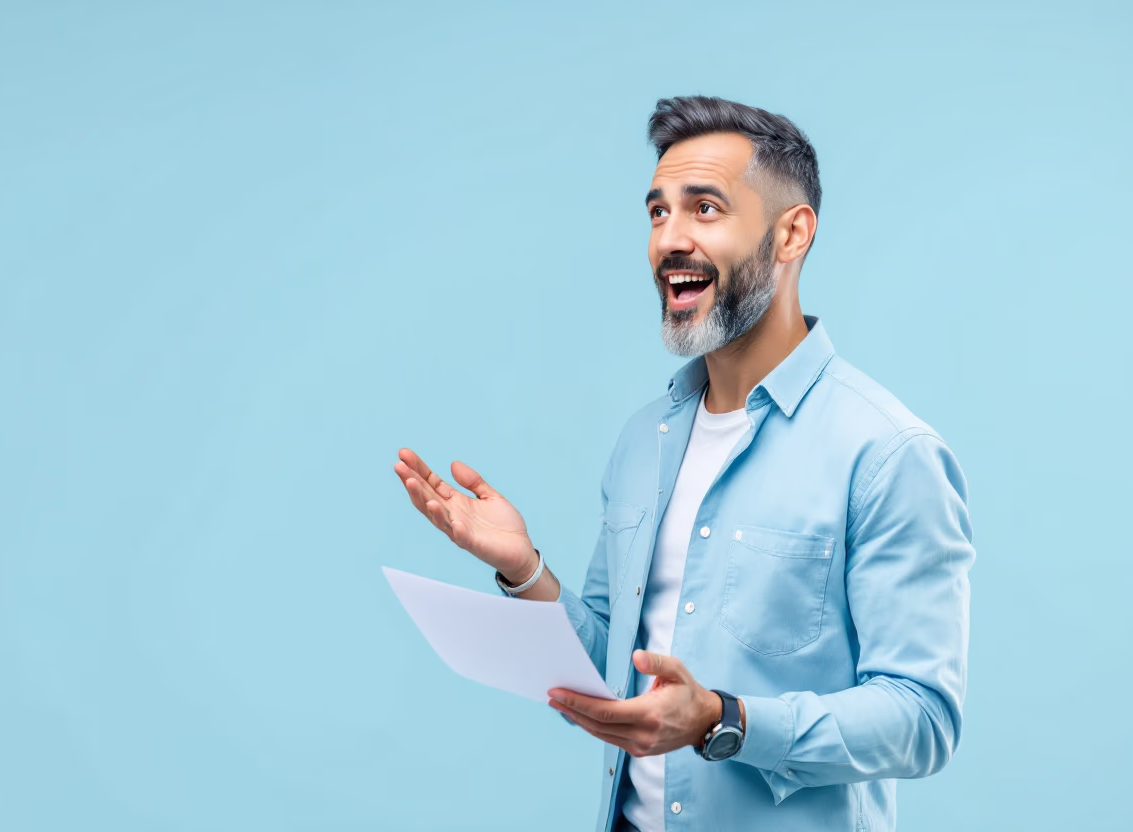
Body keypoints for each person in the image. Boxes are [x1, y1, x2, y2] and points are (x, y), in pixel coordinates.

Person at [393, 95, 974, 832]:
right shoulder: (645, 440)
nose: (669, 239)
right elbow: (615, 681)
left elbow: (922, 720)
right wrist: (526, 573)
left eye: (705, 209)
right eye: (657, 212)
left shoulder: (887, 454)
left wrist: (723, 719)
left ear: (792, 233)